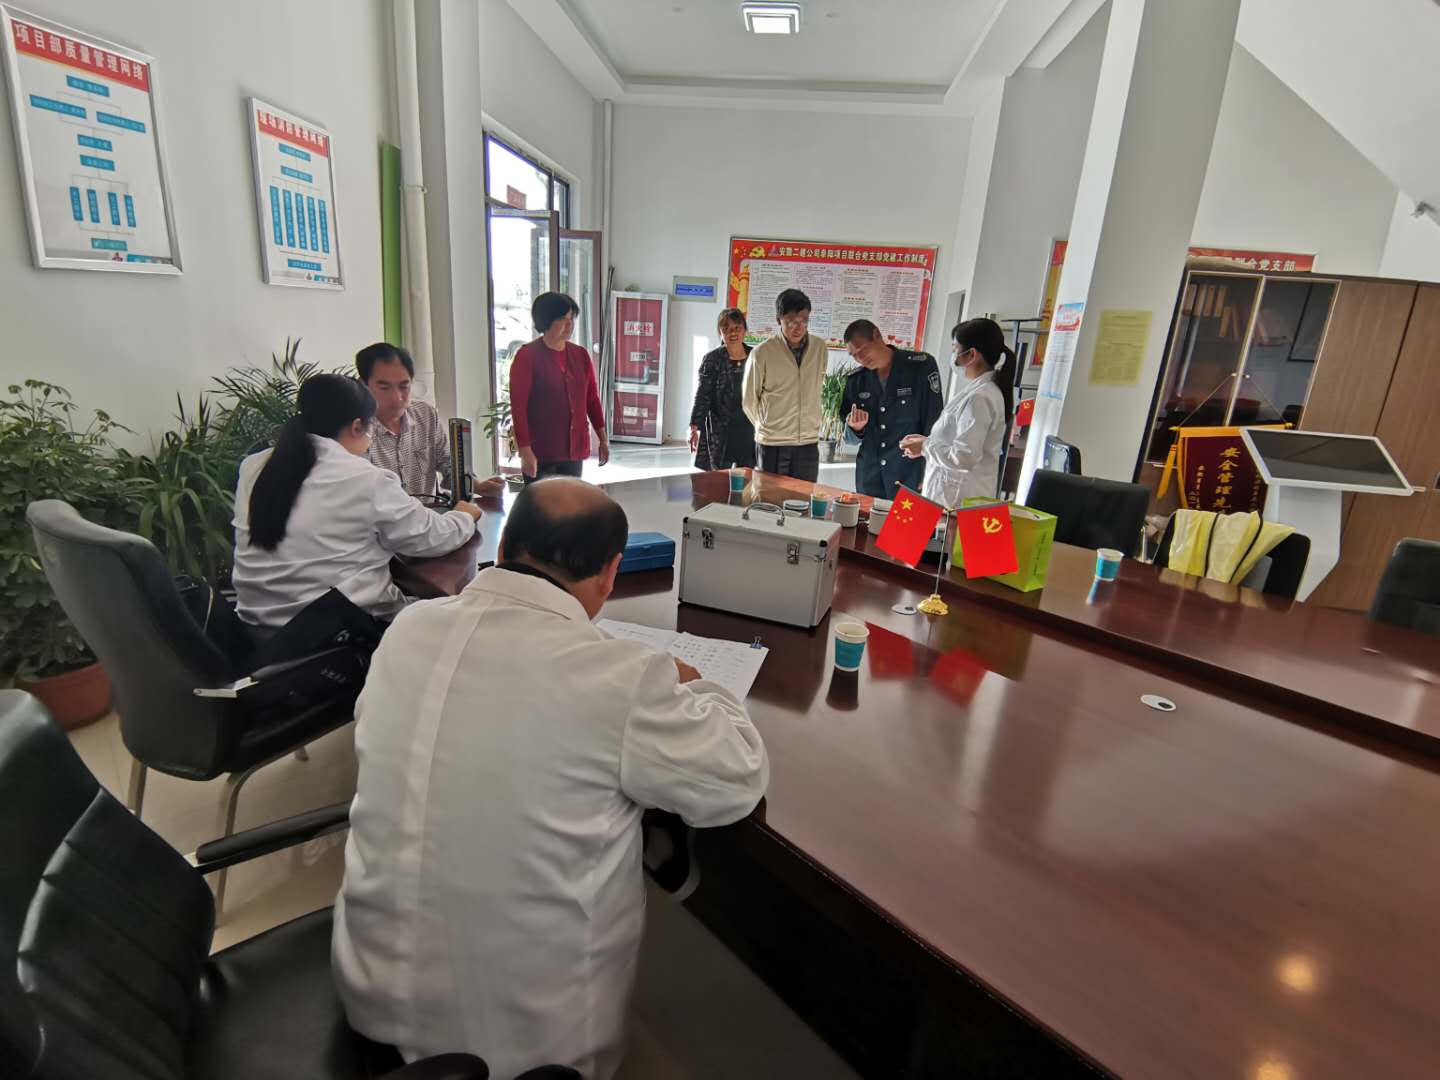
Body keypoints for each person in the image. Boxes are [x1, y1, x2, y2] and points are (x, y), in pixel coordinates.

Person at [332, 477, 768, 1080]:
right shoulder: (620, 676)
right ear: (611, 573)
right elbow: (737, 780)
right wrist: (698, 684)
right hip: (521, 1050)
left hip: (366, 991)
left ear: (503, 545)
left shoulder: (407, 630)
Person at [232, 373, 482, 629]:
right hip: (337, 634)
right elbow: (430, 537)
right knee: (454, 618)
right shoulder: (364, 478)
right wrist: (464, 515)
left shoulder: (254, 466)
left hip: (256, 627)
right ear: (356, 427)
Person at [356, 342, 503, 502]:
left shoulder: (425, 415)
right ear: (364, 385)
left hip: (430, 514)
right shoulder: (356, 430)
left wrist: (477, 486)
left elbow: (448, 465)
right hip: (383, 517)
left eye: (404, 386)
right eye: (385, 388)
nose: (397, 398)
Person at [899, 318, 1013, 508]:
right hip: (952, 498)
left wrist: (926, 447)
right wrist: (928, 442)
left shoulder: (979, 397)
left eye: (955, 349)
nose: (952, 356)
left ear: (971, 354)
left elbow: (964, 456)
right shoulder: (978, 390)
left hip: (960, 501)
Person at [509, 292, 609, 483]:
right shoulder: (527, 356)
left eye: (571, 319)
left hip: (574, 450)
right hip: (541, 451)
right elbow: (518, 408)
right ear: (546, 320)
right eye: (562, 319)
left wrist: (603, 439)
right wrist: (525, 450)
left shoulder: (580, 355)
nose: (569, 325)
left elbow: (591, 400)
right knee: (541, 502)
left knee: (570, 500)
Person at [840, 319, 943, 499]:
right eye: (854, 355)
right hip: (870, 475)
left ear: (877, 335)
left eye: (863, 350)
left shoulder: (920, 367)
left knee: (909, 518)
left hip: (908, 472)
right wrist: (856, 428)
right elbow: (849, 437)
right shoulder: (856, 381)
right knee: (868, 518)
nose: (860, 358)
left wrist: (928, 469)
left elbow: (934, 420)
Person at [742, 287, 827, 482]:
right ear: (778, 319)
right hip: (772, 443)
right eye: (791, 321)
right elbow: (749, 400)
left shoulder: (819, 348)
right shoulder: (762, 353)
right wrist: (766, 426)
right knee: (769, 495)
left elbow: (817, 387)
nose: (798, 327)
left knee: (804, 495)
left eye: (804, 321)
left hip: (808, 440)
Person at [687, 307, 756, 471]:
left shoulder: (755, 356)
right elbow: (703, 395)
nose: (732, 333)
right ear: (720, 332)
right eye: (726, 329)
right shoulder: (712, 359)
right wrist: (694, 427)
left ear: (745, 330)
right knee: (718, 476)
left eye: (737, 328)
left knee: (747, 476)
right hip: (721, 430)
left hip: (749, 429)